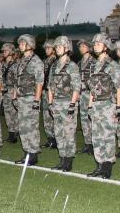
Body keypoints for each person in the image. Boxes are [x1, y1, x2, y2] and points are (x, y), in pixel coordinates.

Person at [86, 33, 120, 179]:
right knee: (96, 136)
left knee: (108, 135)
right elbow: (92, 89)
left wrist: (118, 107)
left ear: (106, 47)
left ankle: (107, 166)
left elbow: (118, 87)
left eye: (98, 44)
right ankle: (99, 165)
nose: (95, 47)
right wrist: (90, 106)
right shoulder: (94, 65)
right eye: (94, 44)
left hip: (108, 104)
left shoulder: (112, 65)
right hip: (96, 105)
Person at [47, 35, 82, 171]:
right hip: (56, 103)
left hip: (68, 103)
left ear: (67, 48)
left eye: (59, 46)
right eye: (56, 47)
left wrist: (72, 104)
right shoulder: (54, 66)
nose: (57, 49)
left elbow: (77, 87)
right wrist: (50, 103)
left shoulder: (72, 66)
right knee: (58, 132)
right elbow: (50, 86)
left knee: (68, 132)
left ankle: (68, 160)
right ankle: (62, 158)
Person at [8, 34, 45, 165]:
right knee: (23, 127)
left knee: (31, 127)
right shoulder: (22, 61)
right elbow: (17, 80)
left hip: (31, 98)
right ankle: (27, 152)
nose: (20, 46)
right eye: (20, 43)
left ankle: (33, 154)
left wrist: (36, 100)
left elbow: (39, 82)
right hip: (21, 98)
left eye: (23, 43)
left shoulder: (36, 61)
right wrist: (14, 95)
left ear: (30, 45)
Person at [0, 43, 20, 143]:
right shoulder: (3, 65)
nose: (4, 52)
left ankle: (16, 132)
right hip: (5, 91)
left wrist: (15, 94)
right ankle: (11, 133)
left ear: (11, 52)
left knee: (14, 113)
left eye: (6, 51)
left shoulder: (15, 65)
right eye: (3, 51)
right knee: (7, 114)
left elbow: (17, 81)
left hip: (12, 91)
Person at [77, 39, 94, 155]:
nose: (81, 48)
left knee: (91, 118)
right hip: (81, 94)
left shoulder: (94, 62)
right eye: (80, 47)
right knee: (83, 120)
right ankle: (87, 143)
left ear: (89, 47)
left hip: (90, 94)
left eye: (83, 46)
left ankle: (93, 143)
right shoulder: (79, 63)